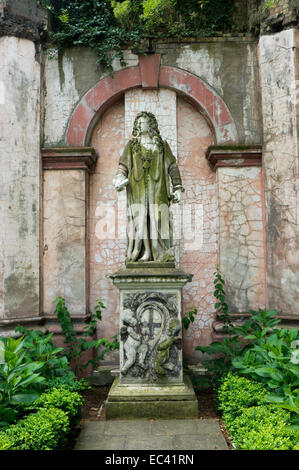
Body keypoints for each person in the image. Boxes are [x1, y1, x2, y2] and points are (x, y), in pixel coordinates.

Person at [113, 111, 184, 262]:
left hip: (159, 188)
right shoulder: (132, 145)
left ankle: (162, 253)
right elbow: (123, 166)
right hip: (137, 188)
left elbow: (172, 166)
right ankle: (143, 253)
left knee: (158, 217)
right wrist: (119, 179)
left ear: (151, 124)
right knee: (141, 220)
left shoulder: (162, 145)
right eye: (138, 122)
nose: (140, 124)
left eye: (143, 121)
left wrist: (177, 187)